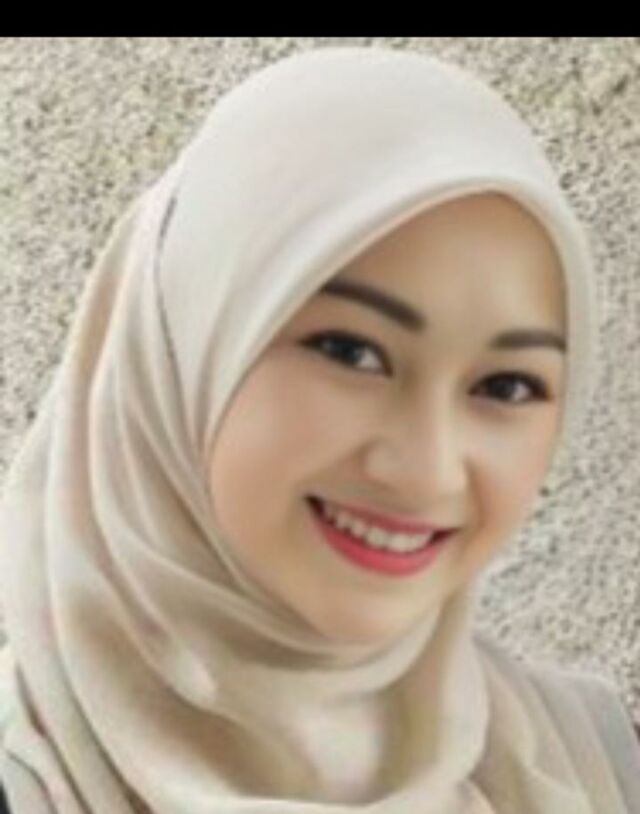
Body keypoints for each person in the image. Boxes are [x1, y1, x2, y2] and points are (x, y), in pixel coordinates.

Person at [0, 44, 638, 813]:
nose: (428, 470)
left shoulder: (596, 765)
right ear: (177, 348)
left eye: (506, 386)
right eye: (350, 352)